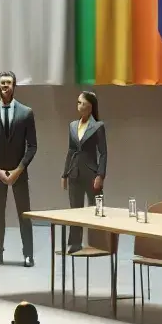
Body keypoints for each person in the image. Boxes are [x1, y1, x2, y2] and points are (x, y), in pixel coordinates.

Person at [0, 71, 38, 266]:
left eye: (9, 83)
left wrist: (18, 170)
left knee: (24, 214)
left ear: (14, 86)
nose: (5, 86)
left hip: (19, 173)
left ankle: (28, 254)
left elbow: (32, 146)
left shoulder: (26, 113)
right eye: (2, 83)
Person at [61, 91, 107, 253]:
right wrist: (64, 173)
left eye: (83, 103)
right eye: (78, 102)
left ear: (90, 106)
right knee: (75, 209)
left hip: (91, 172)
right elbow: (70, 150)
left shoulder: (98, 126)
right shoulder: (73, 125)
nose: (79, 106)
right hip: (74, 171)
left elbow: (103, 152)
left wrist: (100, 175)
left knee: (96, 207)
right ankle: (74, 243)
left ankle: (98, 242)